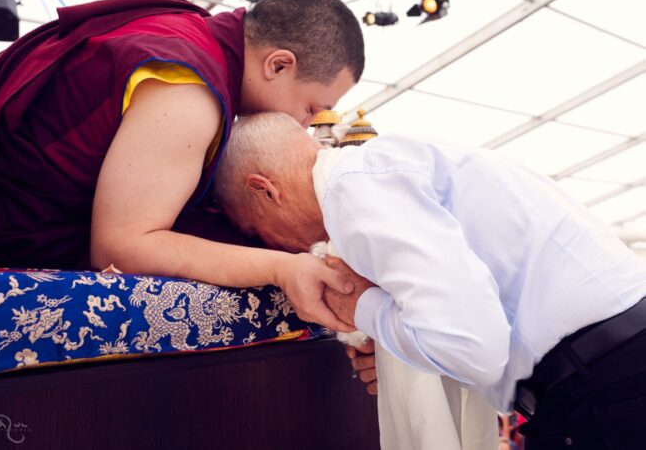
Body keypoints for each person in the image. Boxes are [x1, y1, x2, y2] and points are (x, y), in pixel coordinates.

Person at [214, 112, 646, 450]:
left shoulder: (353, 189)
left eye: (257, 232)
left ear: (265, 190)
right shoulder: (384, 166)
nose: (276, 246)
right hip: (606, 375)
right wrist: (404, 353)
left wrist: (360, 306)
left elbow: (474, 349)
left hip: (608, 388)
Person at [0, 0, 364, 332]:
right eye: (312, 107)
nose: (306, 124)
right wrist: (282, 269)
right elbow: (120, 248)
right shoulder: (187, 91)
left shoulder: (188, 30)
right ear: (277, 65)